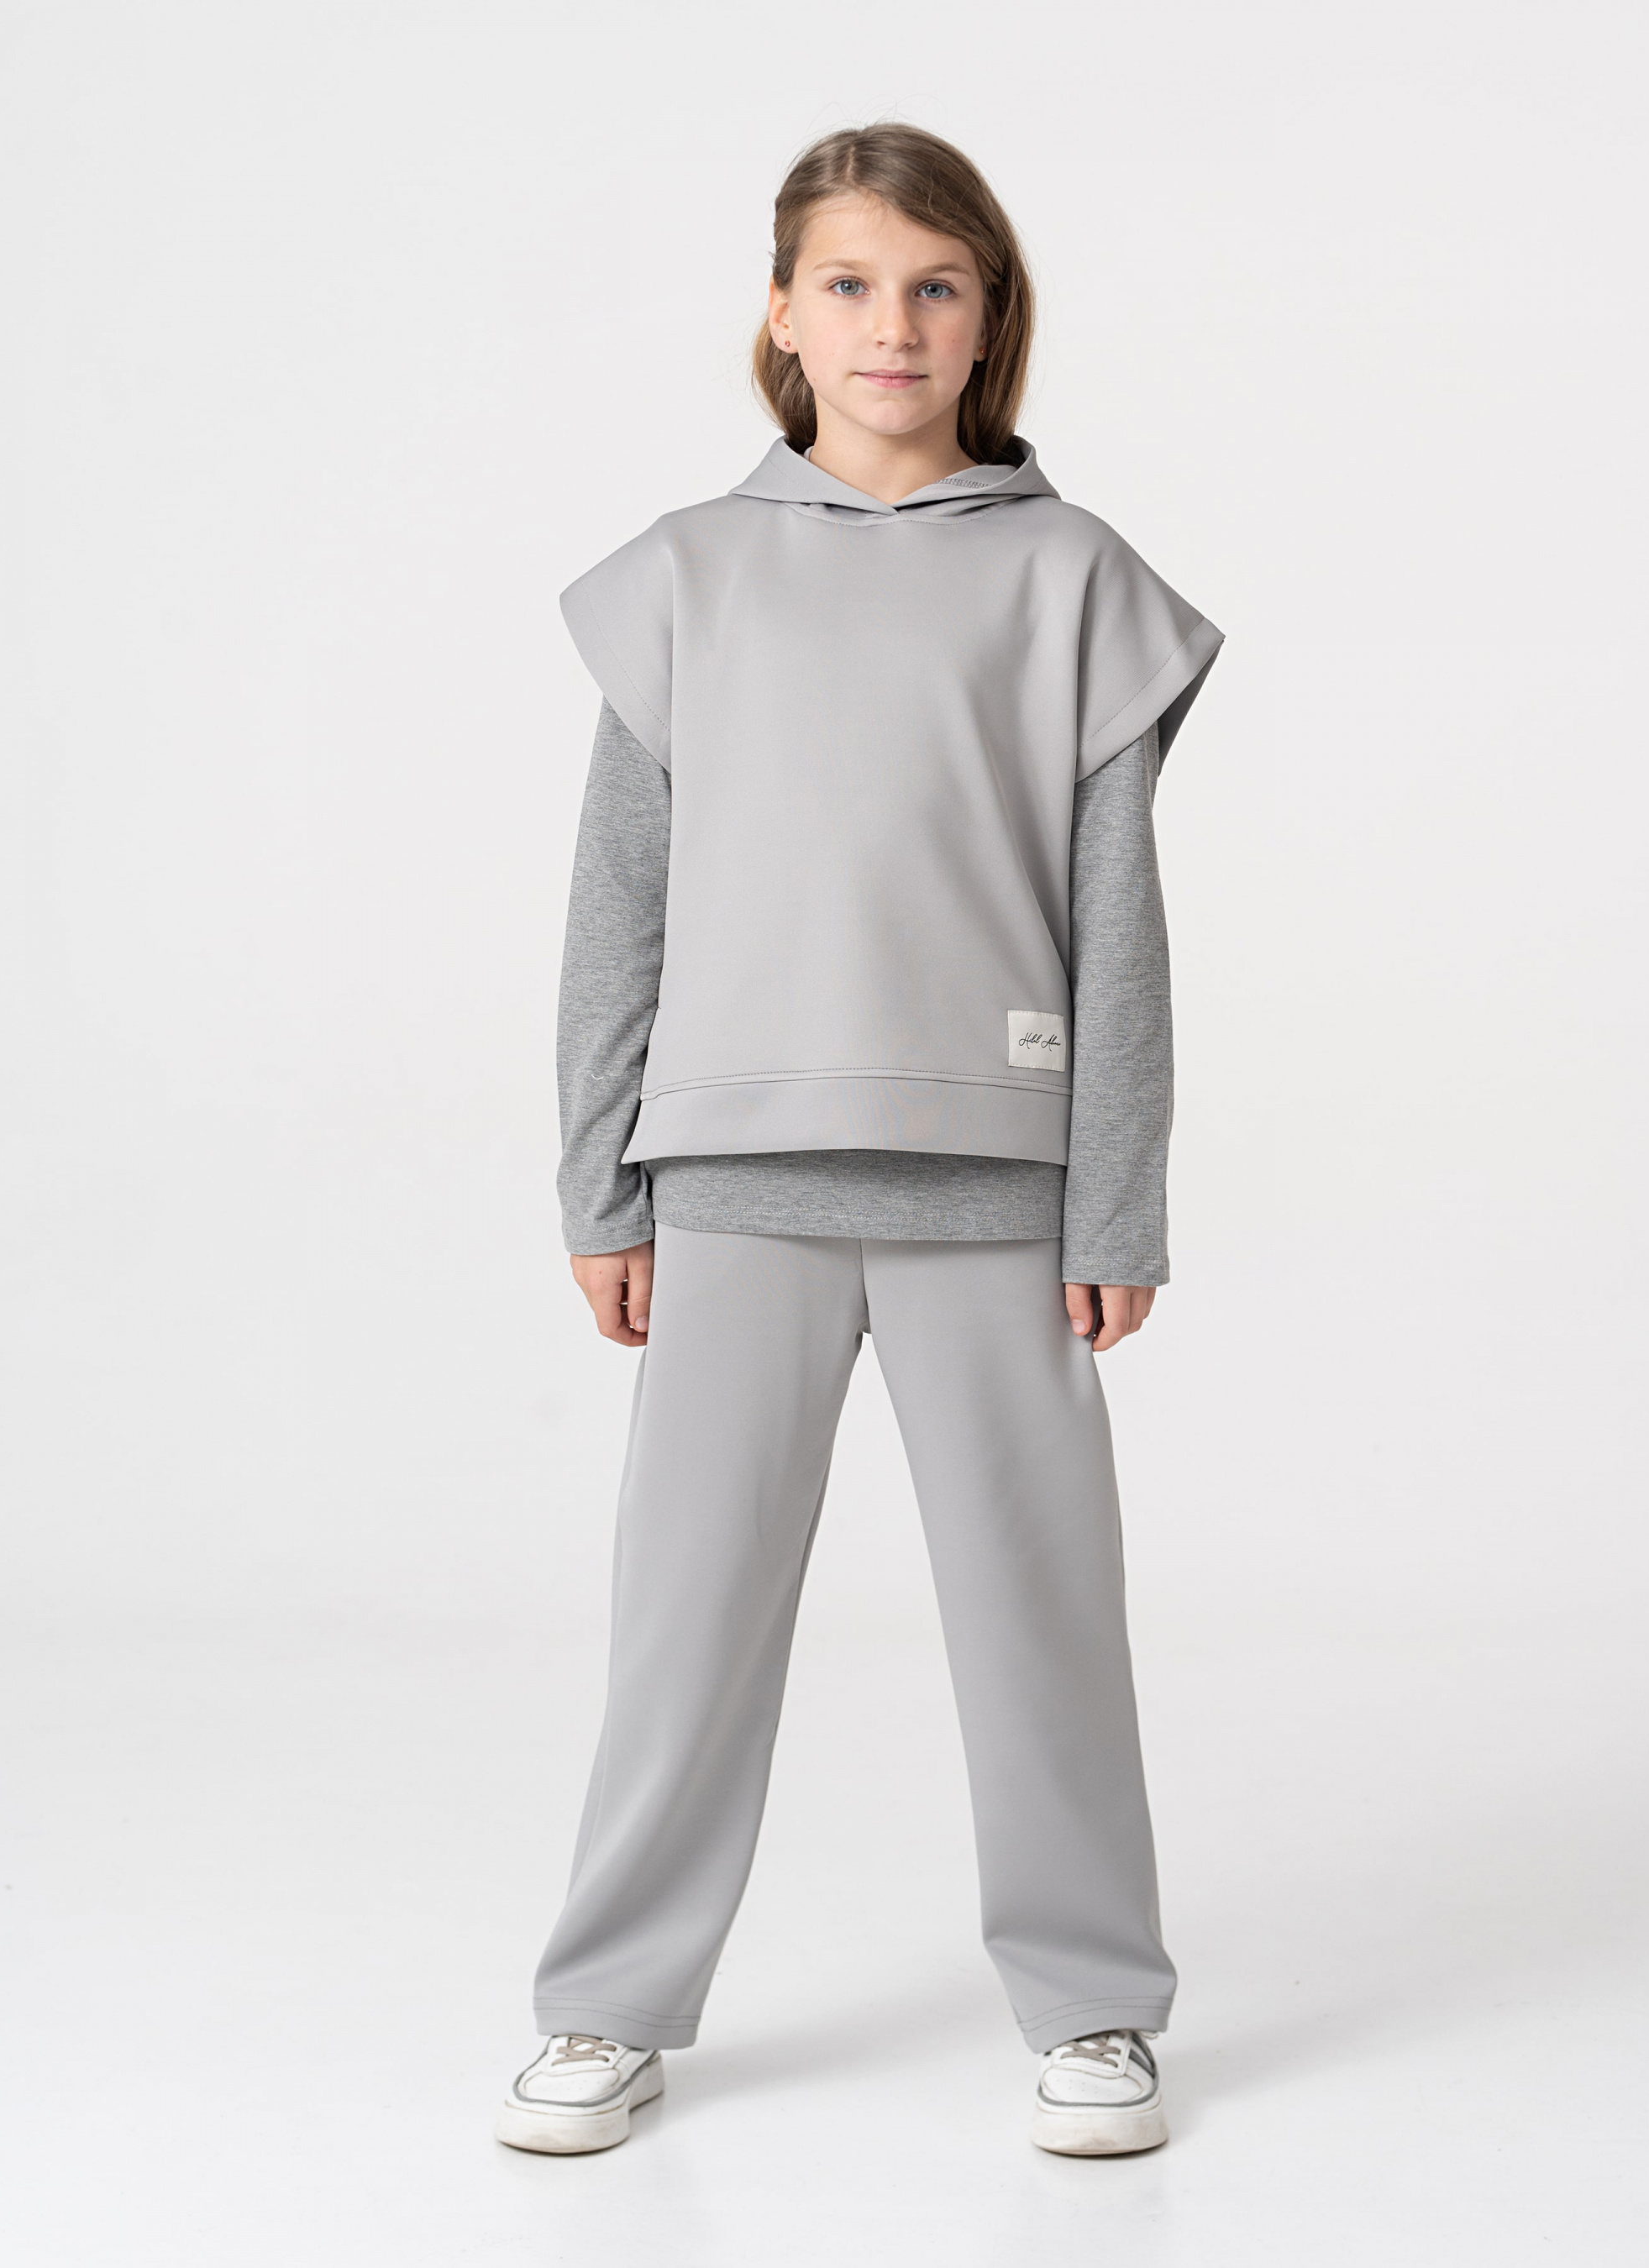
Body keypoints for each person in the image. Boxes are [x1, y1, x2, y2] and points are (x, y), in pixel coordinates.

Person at [496, 122, 1222, 2160]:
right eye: (847, 282)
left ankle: (1092, 2004)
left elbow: (1115, 922)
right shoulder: (683, 579)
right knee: (686, 1619)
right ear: (780, 313)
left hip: (996, 1189)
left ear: (986, 319)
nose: (888, 323)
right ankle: (607, 2003)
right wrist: (598, 1178)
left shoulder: (1071, 580)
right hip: (732, 1183)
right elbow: (617, 906)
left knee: (1039, 1612)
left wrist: (1115, 1198)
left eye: (933, 284)